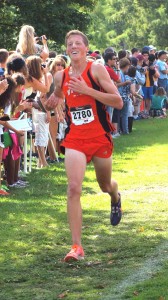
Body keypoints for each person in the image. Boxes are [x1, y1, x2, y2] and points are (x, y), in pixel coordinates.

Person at [45, 30, 123, 262]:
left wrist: (87, 91)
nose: (73, 46)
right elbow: (58, 93)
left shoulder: (96, 70)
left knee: (104, 184)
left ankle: (115, 196)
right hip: (75, 139)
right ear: (67, 49)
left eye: (78, 42)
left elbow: (117, 101)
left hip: (99, 137)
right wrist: (55, 100)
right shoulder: (60, 76)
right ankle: (76, 246)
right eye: (70, 43)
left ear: (86, 48)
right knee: (73, 188)